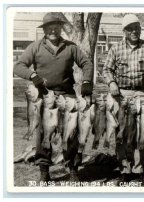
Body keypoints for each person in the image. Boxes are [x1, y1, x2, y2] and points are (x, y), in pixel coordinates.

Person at [14, 12, 94, 182]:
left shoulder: (71, 47)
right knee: (44, 135)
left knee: (71, 133)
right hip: (44, 95)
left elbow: (86, 63)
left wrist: (87, 81)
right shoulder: (35, 47)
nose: (53, 30)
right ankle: (44, 171)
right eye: (49, 27)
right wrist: (32, 76)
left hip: (67, 95)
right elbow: (19, 66)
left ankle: (72, 168)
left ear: (60, 28)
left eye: (56, 27)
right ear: (44, 29)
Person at [102, 14, 144, 185]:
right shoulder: (115, 48)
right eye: (130, 28)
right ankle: (124, 170)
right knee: (122, 134)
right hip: (121, 95)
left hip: (143, 95)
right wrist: (111, 83)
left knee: (142, 134)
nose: (134, 31)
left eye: (136, 28)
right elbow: (106, 69)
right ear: (124, 31)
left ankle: (140, 170)